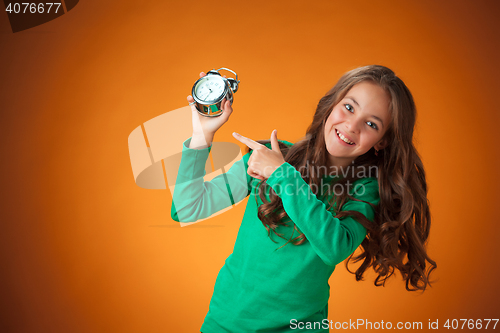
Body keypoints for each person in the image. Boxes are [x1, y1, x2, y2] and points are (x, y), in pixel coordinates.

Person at [171, 65, 437, 333]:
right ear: (332, 105)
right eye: (349, 107)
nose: (351, 125)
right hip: (225, 323)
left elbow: (334, 247)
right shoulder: (274, 157)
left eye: (371, 124)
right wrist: (202, 134)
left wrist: (282, 176)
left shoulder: (364, 189)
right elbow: (186, 208)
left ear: (382, 141)